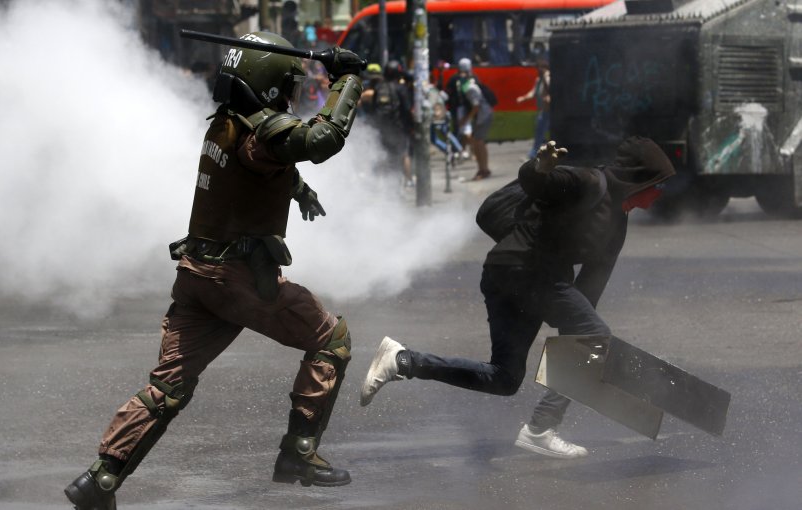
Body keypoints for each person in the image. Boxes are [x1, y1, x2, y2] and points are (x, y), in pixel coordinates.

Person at [65, 32, 364, 509]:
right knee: (331, 340)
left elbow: (263, 163)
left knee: (167, 386)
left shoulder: (224, 124)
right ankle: (299, 453)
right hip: (237, 280)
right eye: (285, 87)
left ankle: (102, 478)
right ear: (268, 85)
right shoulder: (260, 132)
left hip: (197, 274)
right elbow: (320, 137)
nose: (288, 96)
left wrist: (296, 187)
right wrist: (348, 79)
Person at [360, 137, 675, 459]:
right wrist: (539, 166)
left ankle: (402, 361)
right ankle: (541, 428)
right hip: (524, 271)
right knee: (594, 336)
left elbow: (590, 288)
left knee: (505, 378)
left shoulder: (617, 225)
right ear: (640, 178)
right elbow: (538, 181)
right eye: (659, 186)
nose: (659, 196)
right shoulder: (589, 182)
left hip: (511, 275)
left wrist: (578, 348)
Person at [361, 60, 414, 187]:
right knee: (403, 155)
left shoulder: (379, 88)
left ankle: (382, 184)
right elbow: (407, 110)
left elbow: (373, 109)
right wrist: (411, 127)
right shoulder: (400, 89)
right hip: (398, 129)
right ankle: (404, 181)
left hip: (382, 129)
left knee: (383, 156)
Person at [455, 58, 494, 181]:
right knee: (477, 141)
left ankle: (483, 170)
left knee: (478, 142)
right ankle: (483, 168)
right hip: (481, 116)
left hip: (483, 116)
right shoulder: (472, 81)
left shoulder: (470, 86)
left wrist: (466, 120)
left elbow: (476, 106)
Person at [517, 56, 551, 160]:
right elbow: (533, 92)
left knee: (541, 132)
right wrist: (523, 98)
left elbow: (550, 88)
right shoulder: (538, 80)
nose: (538, 70)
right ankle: (537, 153)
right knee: (540, 132)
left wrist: (546, 75)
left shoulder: (548, 77)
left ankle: (535, 154)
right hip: (543, 110)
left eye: (541, 67)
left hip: (549, 111)